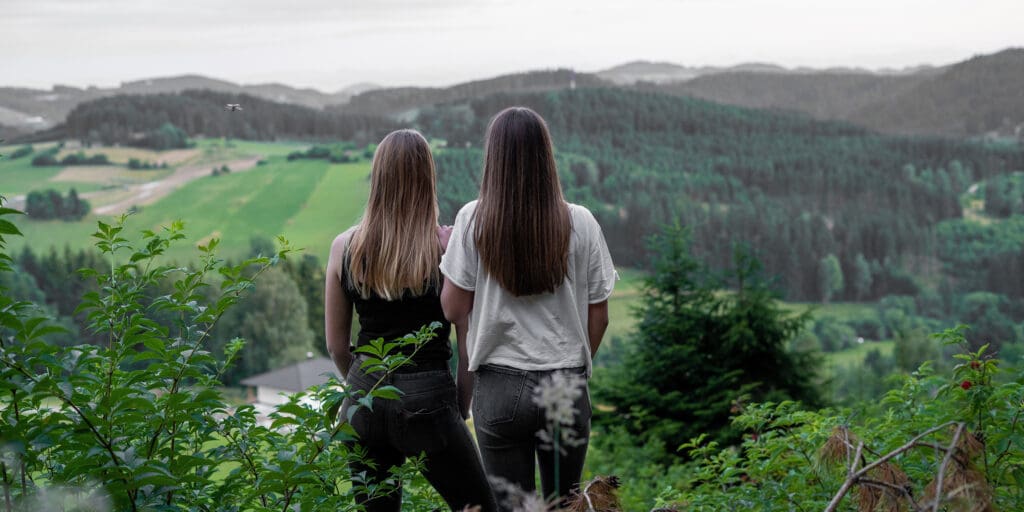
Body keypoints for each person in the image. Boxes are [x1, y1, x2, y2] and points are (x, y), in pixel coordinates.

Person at [439, 107, 617, 508]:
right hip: (565, 382)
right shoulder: (582, 222)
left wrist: (454, 262)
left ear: (493, 159)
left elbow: (452, 309)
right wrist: (572, 364)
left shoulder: (472, 219)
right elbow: (600, 315)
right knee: (564, 506)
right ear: (546, 156)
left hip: (500, 387)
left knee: (511, 507)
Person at [324, 129, 496, 512]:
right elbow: (468, 342)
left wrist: (368, 389)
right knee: (479, 507)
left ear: (378, 178)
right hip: (428, 399)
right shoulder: (446, 248)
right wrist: (460, 407)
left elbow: (336, 346)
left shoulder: (345, 248)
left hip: (363, 397)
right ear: (427, 179)